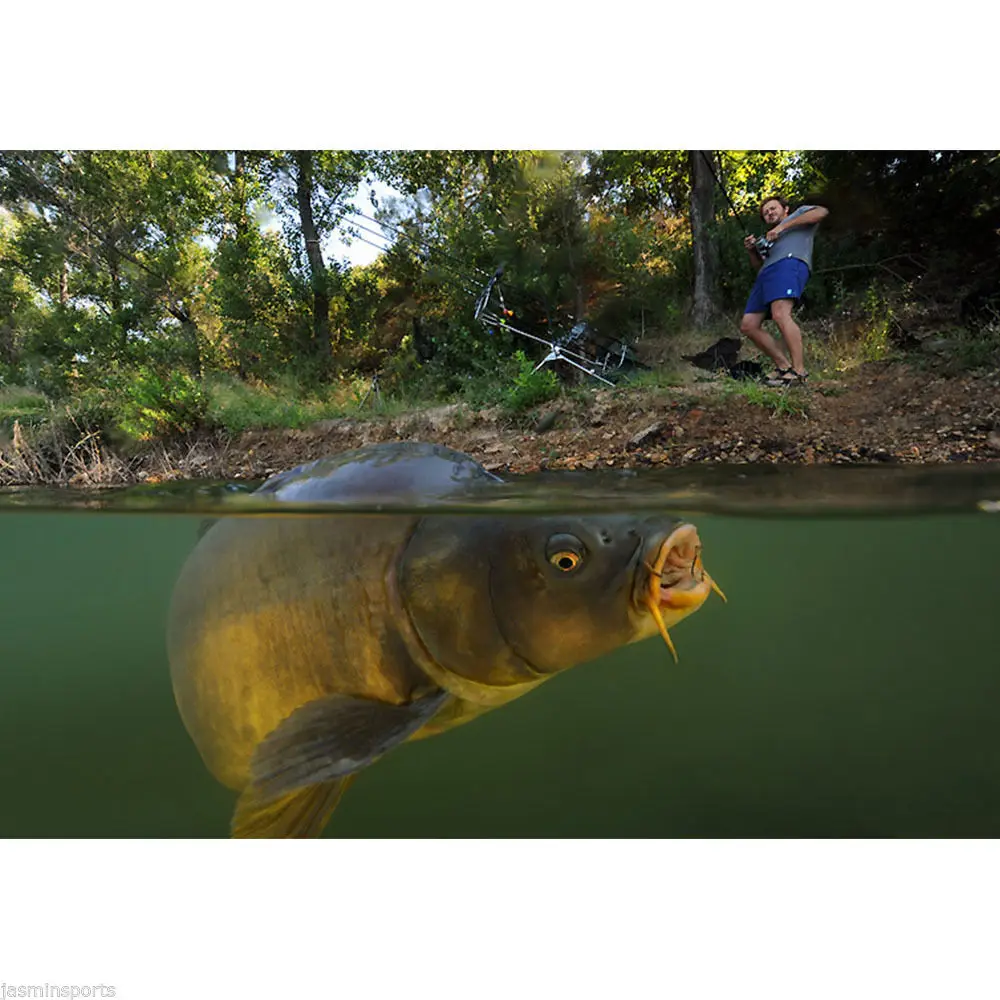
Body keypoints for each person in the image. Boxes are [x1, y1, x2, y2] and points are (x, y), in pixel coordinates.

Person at [739, 196, 829, 386]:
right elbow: (758, 265)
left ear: (786, 209)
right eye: (766, 213)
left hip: (789, 264)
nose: (770, 213)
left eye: (773, 208)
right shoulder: (768, 238)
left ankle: (799, 372)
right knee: (749, 325)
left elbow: (822, 212)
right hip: (766, 274)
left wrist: (782, 227)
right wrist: (751, 251)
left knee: (780, 314)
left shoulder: (798, 215)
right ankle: (783, 367)